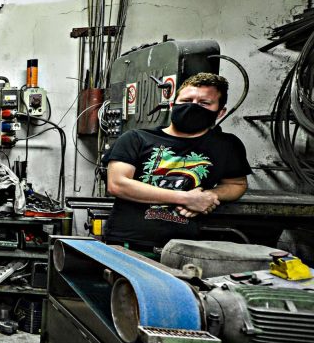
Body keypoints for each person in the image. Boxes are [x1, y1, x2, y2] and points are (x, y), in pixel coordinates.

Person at [104, 72, 250, 253]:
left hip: (187, 248)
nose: (193, 106)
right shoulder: (136, 138)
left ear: (220, 112)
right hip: (129, 243)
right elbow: (117, 184)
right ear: (173, 104)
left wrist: (209, 195)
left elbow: (237, 184)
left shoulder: (227, 145)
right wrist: (187, 198)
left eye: (204, 103)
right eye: (187, 100)